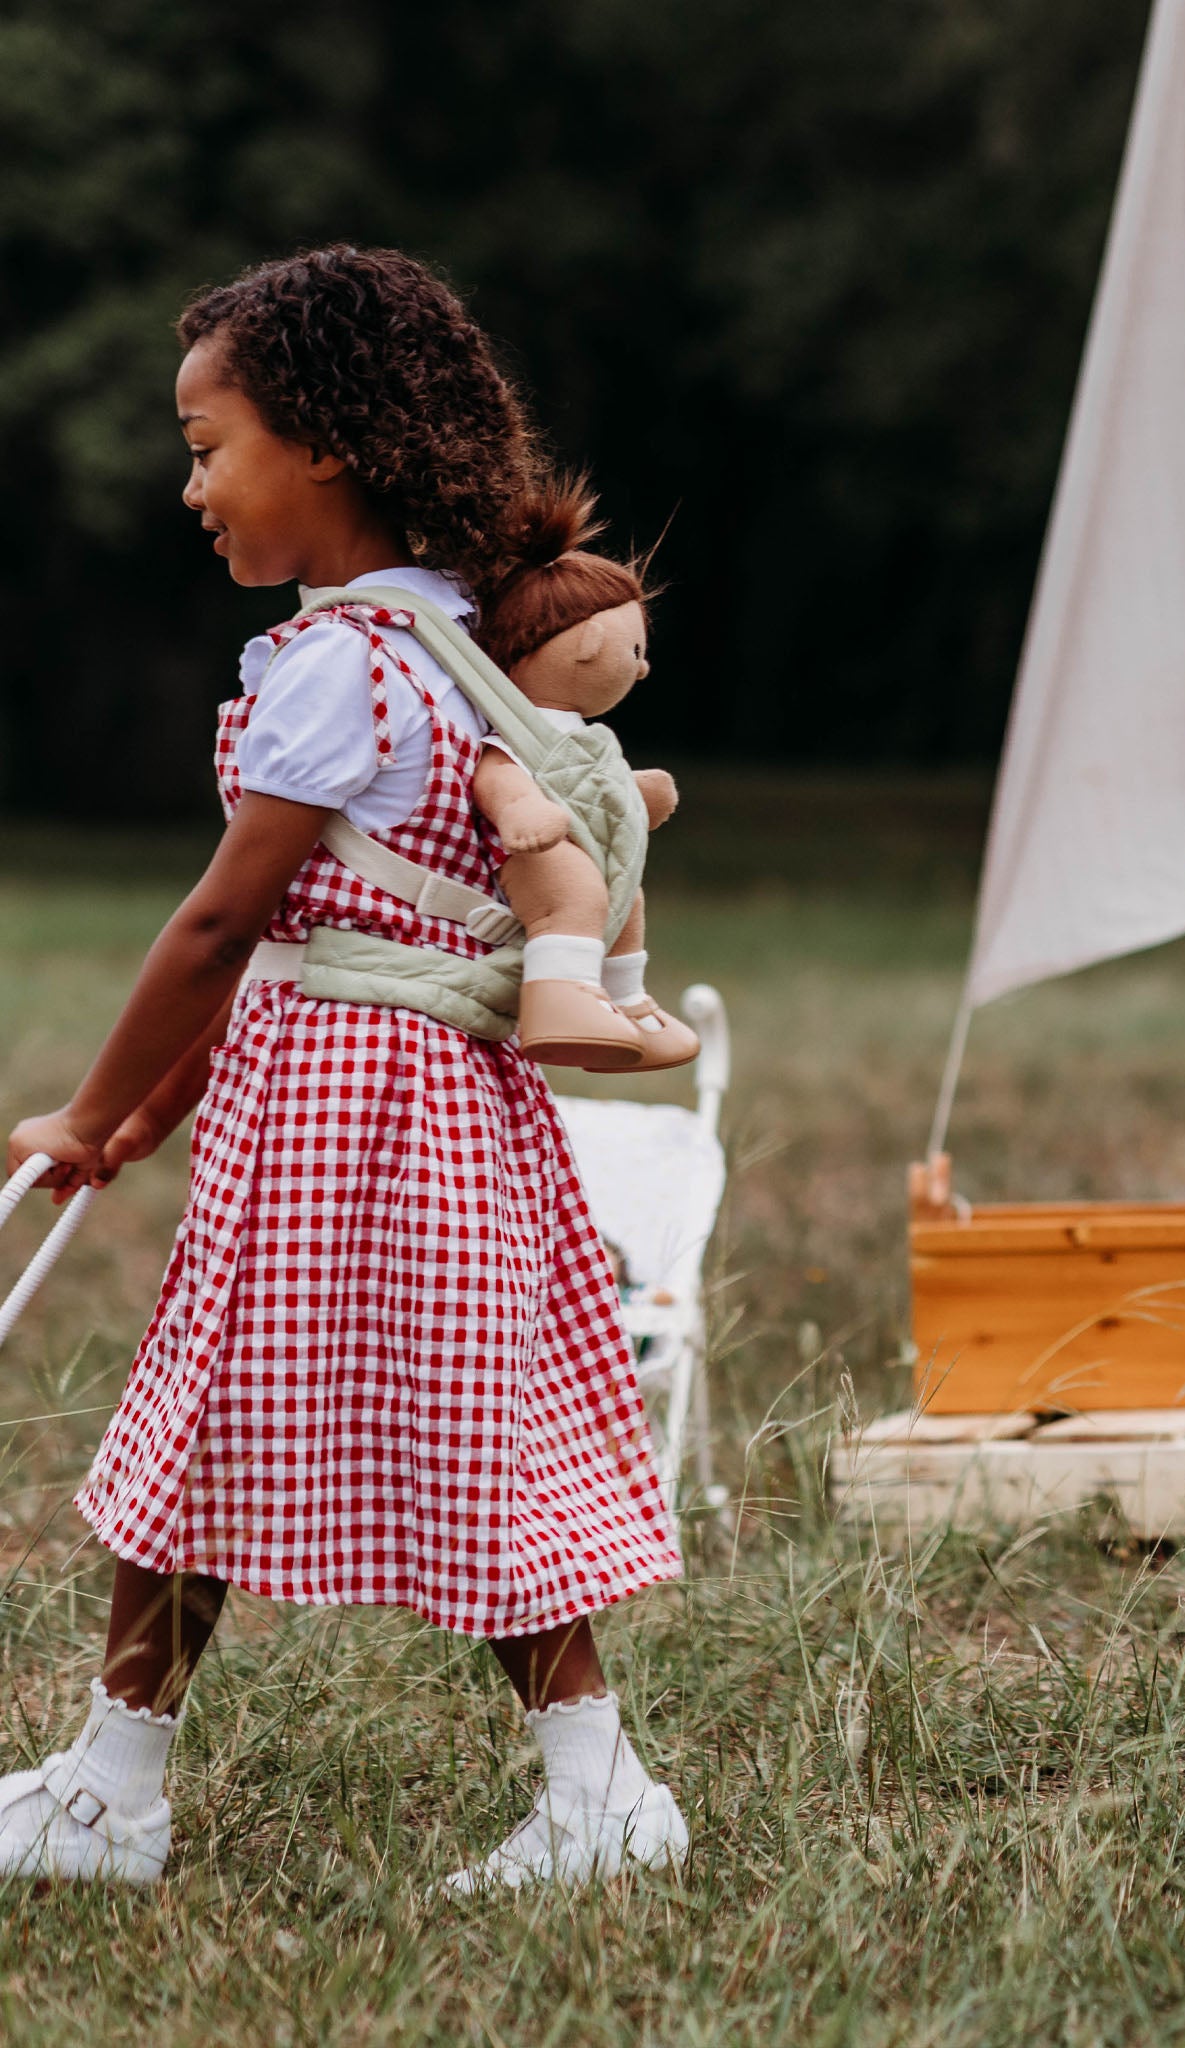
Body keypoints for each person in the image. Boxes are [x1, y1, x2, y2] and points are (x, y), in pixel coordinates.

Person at [0, 247, 687, 1890]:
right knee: (462, 1429)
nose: (191, 486)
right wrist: (145, 1128)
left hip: (343, 1114)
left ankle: (117, 1789)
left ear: (324, 444)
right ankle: (587, 1787)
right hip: (436, 1105)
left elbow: (226, 921)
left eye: (206, 442)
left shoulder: (336, 666)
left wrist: (93, 1111)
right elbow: (330, 929)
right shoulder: (451, 646)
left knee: (193, 1436)